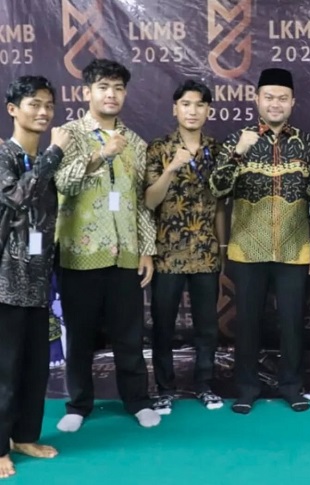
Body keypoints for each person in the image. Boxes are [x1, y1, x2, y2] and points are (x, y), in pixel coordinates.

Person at [209, 68, 310, 414]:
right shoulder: (237, 139)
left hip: (295, 247)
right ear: (257, 100)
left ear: (293, 102)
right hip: (248, 248)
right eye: (269, 97)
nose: (276, 104)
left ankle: (292, 386)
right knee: (247, 323)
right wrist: (238, 153)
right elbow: (217, 189)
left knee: (292, 323)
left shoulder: (307, 143)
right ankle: (247, 388)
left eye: (282, 98)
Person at [54, 59, 160, 432]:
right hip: (79, 255)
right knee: (80, 336)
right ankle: (78, 404)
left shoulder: (136, 142)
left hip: (125, 254)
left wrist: (146, 249)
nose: (111, 94)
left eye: (117, 88)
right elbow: (62, 183)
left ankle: (138, 401)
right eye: (103, 87)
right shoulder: (68, 135)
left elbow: (141, 202)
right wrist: (101, 155)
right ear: (87, 92)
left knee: (129, 337)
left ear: (125, 93)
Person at [0, 75, 70, 479]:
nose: (43, 112)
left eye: (48, 105)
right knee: (4, 369)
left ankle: (25, 436)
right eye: (34, 104)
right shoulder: (4, 155)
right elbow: (16, 197)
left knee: (35, 367)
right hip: (5, 282)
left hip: (38, 280)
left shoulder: (44, 159)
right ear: (13, 110)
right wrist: (55, 153)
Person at [145, 80, 226, 415]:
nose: (193, 111)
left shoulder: (218, 151)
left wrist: (222, 246)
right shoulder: (158, 148)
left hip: (206, 251)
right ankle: (165, 389)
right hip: (167, 253)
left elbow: (220, 204)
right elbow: (150, 201)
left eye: (200, 105)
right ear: (174, 109)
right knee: (163, 326)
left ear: (208, 110)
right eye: (186, 104)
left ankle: (205, 386)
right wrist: (171, 169)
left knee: (207, 327)